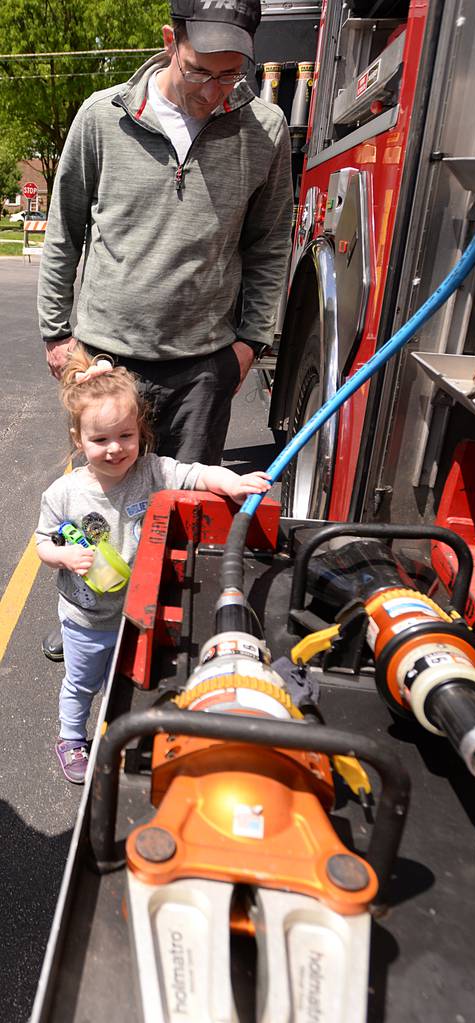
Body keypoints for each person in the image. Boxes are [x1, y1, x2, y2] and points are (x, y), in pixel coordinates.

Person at [37, 0, 292, 660]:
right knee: (98, 495)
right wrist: (58, 334)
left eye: (230, 76)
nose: (214, 93)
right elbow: (64, 230)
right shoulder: (103, 118)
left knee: (183, 502)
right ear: (168, 42)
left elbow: (268, 245)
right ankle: (84, 617)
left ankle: (158, 623)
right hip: (105, 359)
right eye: (199, 71)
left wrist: (249, 344)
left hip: (203, 363)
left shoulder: (264, 128)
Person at [36, 346, 271, 784]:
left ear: (140, 432)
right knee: (82, 682)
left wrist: (234, 482)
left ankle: (113, 732)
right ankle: (70, 737)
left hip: (134, 613)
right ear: (78, 439)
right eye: (100, 440)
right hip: (85, 617)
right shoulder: (62, 494)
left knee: (122, 683)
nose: (114, 449)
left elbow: (197, 474)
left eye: (125, 436)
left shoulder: (152, 471)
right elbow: (42, 543)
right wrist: (63, 556)